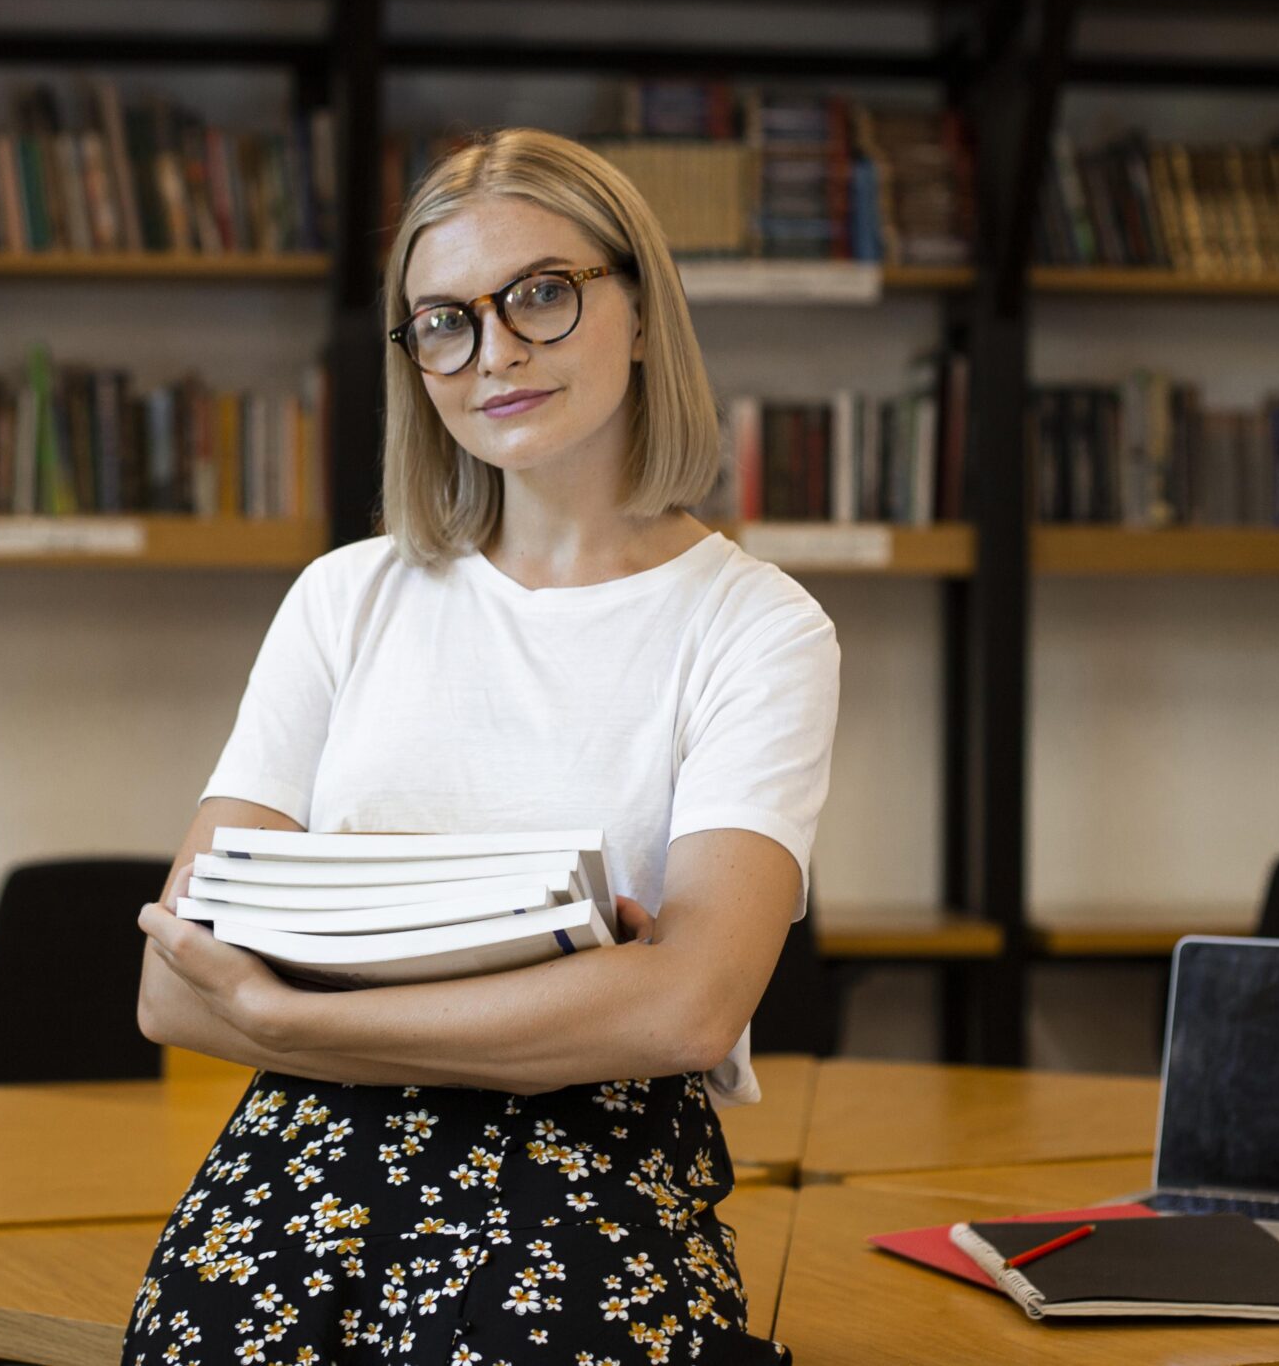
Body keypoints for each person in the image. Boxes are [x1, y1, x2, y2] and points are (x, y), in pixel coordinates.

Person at [133, 127, 840, 1365]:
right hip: (304, 1152)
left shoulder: (758, 626)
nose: (494, 351)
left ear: (637, 306)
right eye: (443, 320)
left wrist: (297, 1013)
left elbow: (683, 1011)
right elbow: (174, 982)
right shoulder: (344, 598)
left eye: (541, 296)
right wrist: (577, 982)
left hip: (597, 1158)